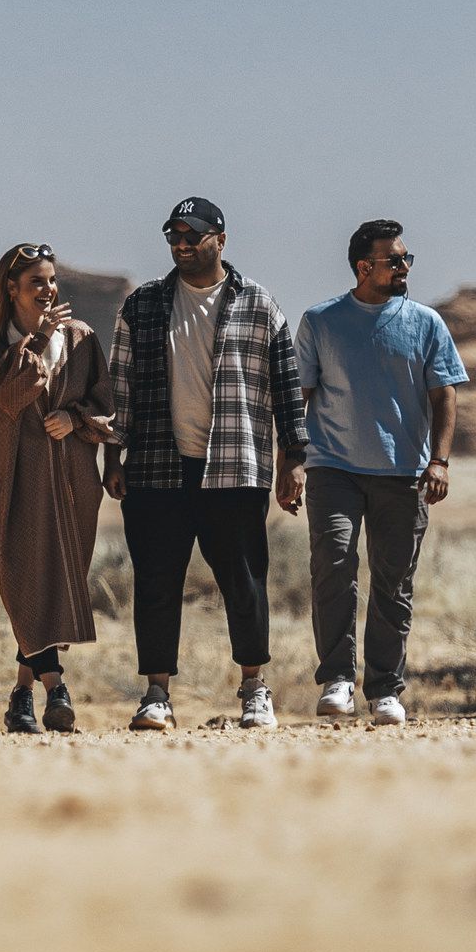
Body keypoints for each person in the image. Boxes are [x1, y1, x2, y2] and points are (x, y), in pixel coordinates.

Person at [104, 197, 306, 732]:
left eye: (192, 234)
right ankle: (156, 695)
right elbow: (118, 387)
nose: (182, 244)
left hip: (234, 467)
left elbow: (286, 388)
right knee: (155, 582)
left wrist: (293, 460)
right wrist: (112, 454)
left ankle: (254, 690)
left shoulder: (259, 304)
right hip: (153, 466)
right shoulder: (142, 305)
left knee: (244, 581)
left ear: (220, 238)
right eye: (174, 235)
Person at [295, 219, 467, 726]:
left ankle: (386, 689)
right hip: (332, 467)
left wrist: (440, 460)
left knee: (393, 582)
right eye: (395, 260)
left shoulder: (426, 322)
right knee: (334, 566)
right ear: (363, 267)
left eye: (407, 258)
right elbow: (301, 395)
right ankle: (337, 680)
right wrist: (291, 463)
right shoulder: (321, 321)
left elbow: (445, 394)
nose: (405, 267)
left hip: (404, 472)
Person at [0, 243, 114, 733]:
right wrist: (36, 342)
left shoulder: (81, 339)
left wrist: (74, 419)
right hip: (20, 478)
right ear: (12, 289)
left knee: (53, 583)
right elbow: (11, 396)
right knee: (25, 576)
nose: (49, 290)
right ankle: (56, 688)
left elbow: (108, 408)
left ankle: (21, 695)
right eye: (37, 282)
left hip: (74, 482)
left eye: (52, 281)